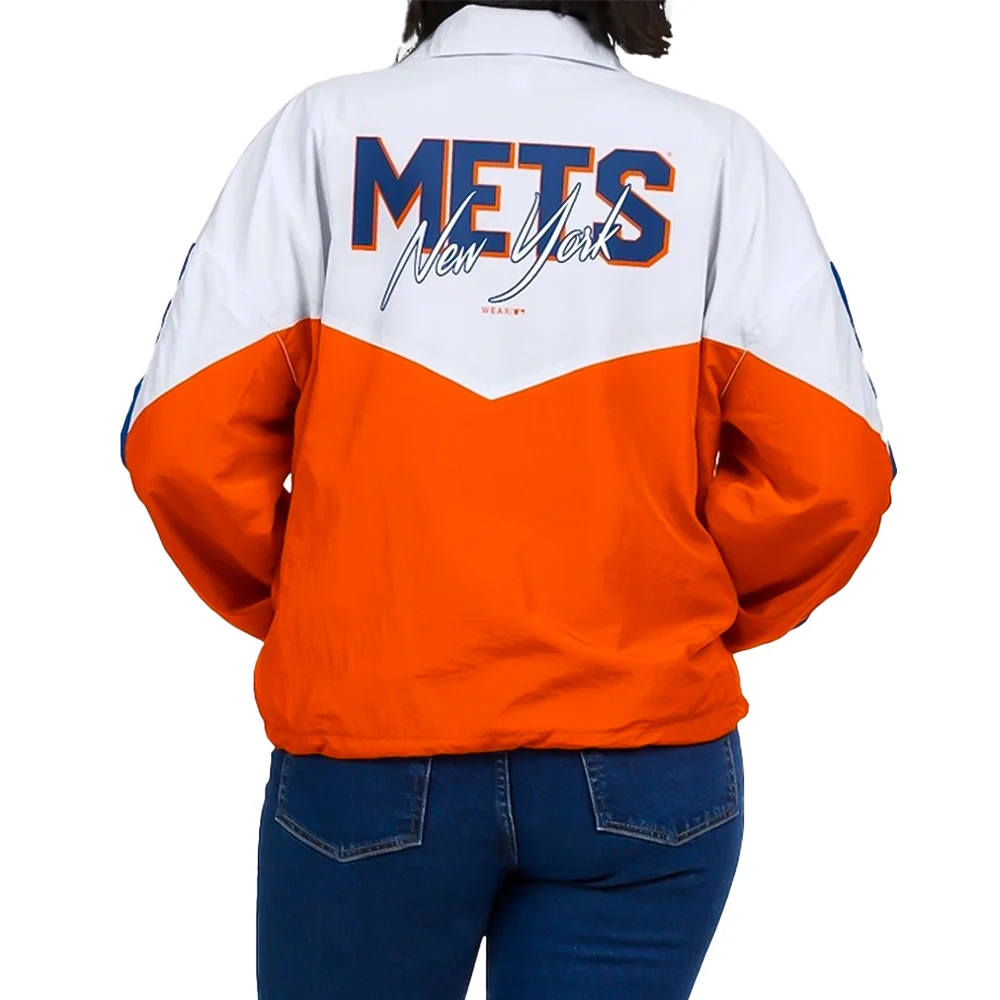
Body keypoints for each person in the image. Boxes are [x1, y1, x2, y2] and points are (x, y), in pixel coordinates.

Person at [121, 2, 894, 997]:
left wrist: (329, 609)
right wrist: (673, 613)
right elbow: (835, 470)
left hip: (373, 740)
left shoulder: (322, 133)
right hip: (642, 753)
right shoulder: (716, 156)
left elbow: (180, 439)